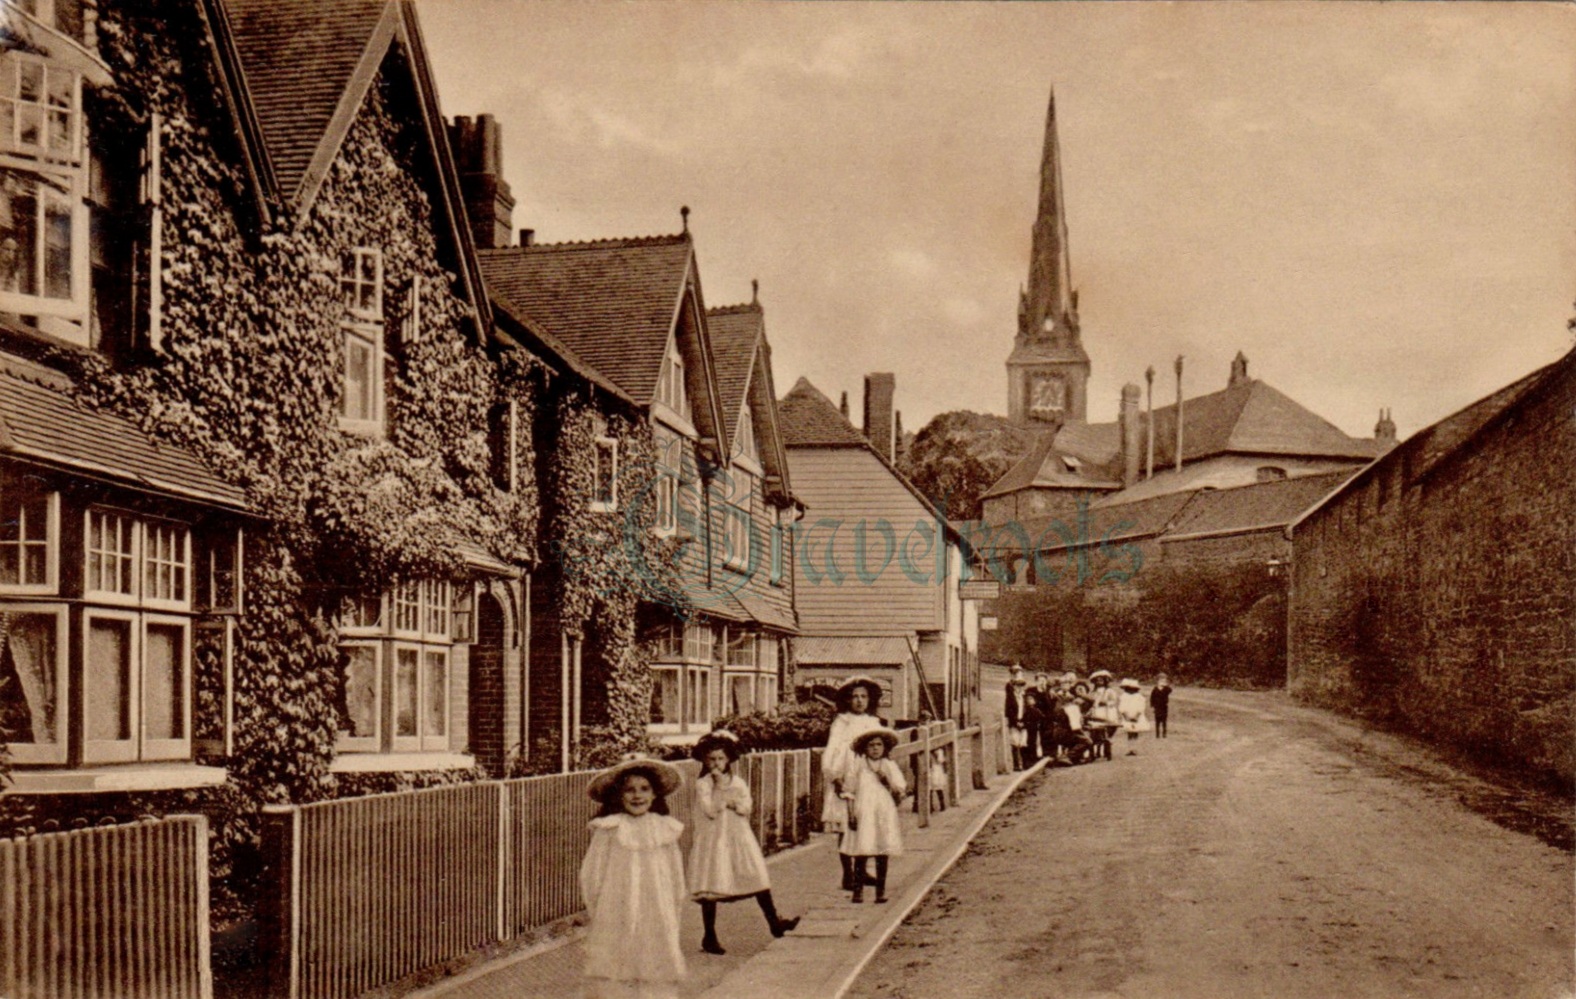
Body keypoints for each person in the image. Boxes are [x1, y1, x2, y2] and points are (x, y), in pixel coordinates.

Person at [580, 756, 688, 999]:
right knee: (615, 966)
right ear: (618, 795)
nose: (637, 796)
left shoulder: (664, 828)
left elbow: (675, 875)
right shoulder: (609, 829)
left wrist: (673, 907)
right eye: (630, 790)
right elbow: (592, 875)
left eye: (644, 789)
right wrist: (599, 911)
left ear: (654, 794)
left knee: (654, 963)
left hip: (656, 909)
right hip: (616, 909)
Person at [688, 730, 799, 955]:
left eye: (720, 758)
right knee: (713, 882)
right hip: (715, 838)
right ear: (705, 760)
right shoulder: (704, 784)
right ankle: (709, 935)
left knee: (755, 875)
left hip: (738, 835)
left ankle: (774, 922)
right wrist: (721, 791)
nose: (716, 763)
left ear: (728, 759)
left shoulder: (737, 781)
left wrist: (736, 803)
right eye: (711, 759)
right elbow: (709, 811)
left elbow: (746, 806)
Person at [822, 676, 885, 891]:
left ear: (870, 699)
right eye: (855, 696)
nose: (859, 700)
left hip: (867, 779)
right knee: (846, 826)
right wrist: (835, 777)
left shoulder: (874, 722)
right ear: (848, 700)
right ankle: (848, 874)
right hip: (846, 777)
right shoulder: (842, 722)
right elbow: (832, 751)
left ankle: (862, 871)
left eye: (863, 696)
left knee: (866, 824)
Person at [840, 728, 906, 904]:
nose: (875, 749)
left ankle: (880, 891)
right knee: (862, 850)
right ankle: (857, 891)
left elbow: (899, 789)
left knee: (882, 851)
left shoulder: (889, 766)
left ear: (885, 748)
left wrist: (887, 780)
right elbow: (849, 791)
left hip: (883, 811)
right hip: (864, 811)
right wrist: (851, 814)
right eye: (871, 745)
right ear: (864, 749)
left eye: (879, 745)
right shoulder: (858, 766)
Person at [1086, 671, 1120, 761]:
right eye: (1097, 680)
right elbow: (1089, 702)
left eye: (1101, 680)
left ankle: (1106, 750)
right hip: (1096, 712)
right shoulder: (1093, 692)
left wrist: (1105, 703)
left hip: (1107, 712)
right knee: (1094, 732)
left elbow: (1113, 701)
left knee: (1106, 732)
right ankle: (1093, 753)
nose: (1099, 682)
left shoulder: (1110, 691)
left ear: (1106, 681)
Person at [1004, 664, 1032, 770]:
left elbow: (1027, 712)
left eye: (1021, 686)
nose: (1019, 688)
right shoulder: (1011, 698)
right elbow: (1009, 711)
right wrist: (1016, 722)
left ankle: (1024, 763)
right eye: (1017, 686)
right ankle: (1016, 765)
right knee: (1015, 742)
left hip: (1023, 722)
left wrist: (1024, 722)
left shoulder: (1024, 698)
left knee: (1023, 742)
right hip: (1015, 722)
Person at [1117, 678, 1151, 755]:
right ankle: (1130, 749)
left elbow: (1141, 707)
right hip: (1127, 716)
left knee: (1135, 733)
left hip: (1137, 717)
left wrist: (1137, 716)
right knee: (1129, 733)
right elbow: (1122, 707)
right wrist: (1126, 716)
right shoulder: (1124, 696)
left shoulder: (1139, 697)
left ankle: (1134, 748)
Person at [1151, 673, 1173, 738]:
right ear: (1157, 681)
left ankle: (1164, 734)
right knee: (1157, 721)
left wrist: (1166, 685)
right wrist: (1152, 706)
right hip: (1157, 707)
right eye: (1160, 680)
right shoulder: (1155, 689)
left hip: (1164, 707)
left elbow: (1170, 690)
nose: (1162, 682)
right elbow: (1152, 698)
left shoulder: (1166, 689)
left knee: (1164, 721)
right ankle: (1157, 734)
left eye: (1164, 681)